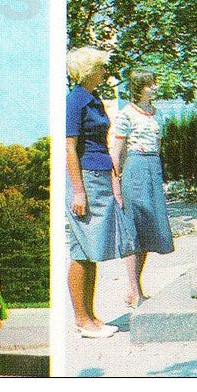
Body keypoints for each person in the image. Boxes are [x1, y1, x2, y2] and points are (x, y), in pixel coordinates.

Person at [66, 46, 133, 339]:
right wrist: (78, 192)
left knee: (87, 250)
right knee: (83, 250)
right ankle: (82, 319)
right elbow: (69, 148)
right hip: (86, 178)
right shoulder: (74, 101)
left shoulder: (92, 99)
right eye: (101, 67)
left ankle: (90, 316)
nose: (105, 71)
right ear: (88, 70)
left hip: (99, 175)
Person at [113, 68, 176, 308]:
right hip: (135, 169)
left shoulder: (157, 114)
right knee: (134, 230)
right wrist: (117, 184)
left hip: (153, 167)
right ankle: (133, 290)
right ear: (139, 88)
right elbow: (117, 153)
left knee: (148, 229)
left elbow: (158, 146)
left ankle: (136, 287)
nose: (155, 87)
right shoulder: (126, 114)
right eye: (150, 84)